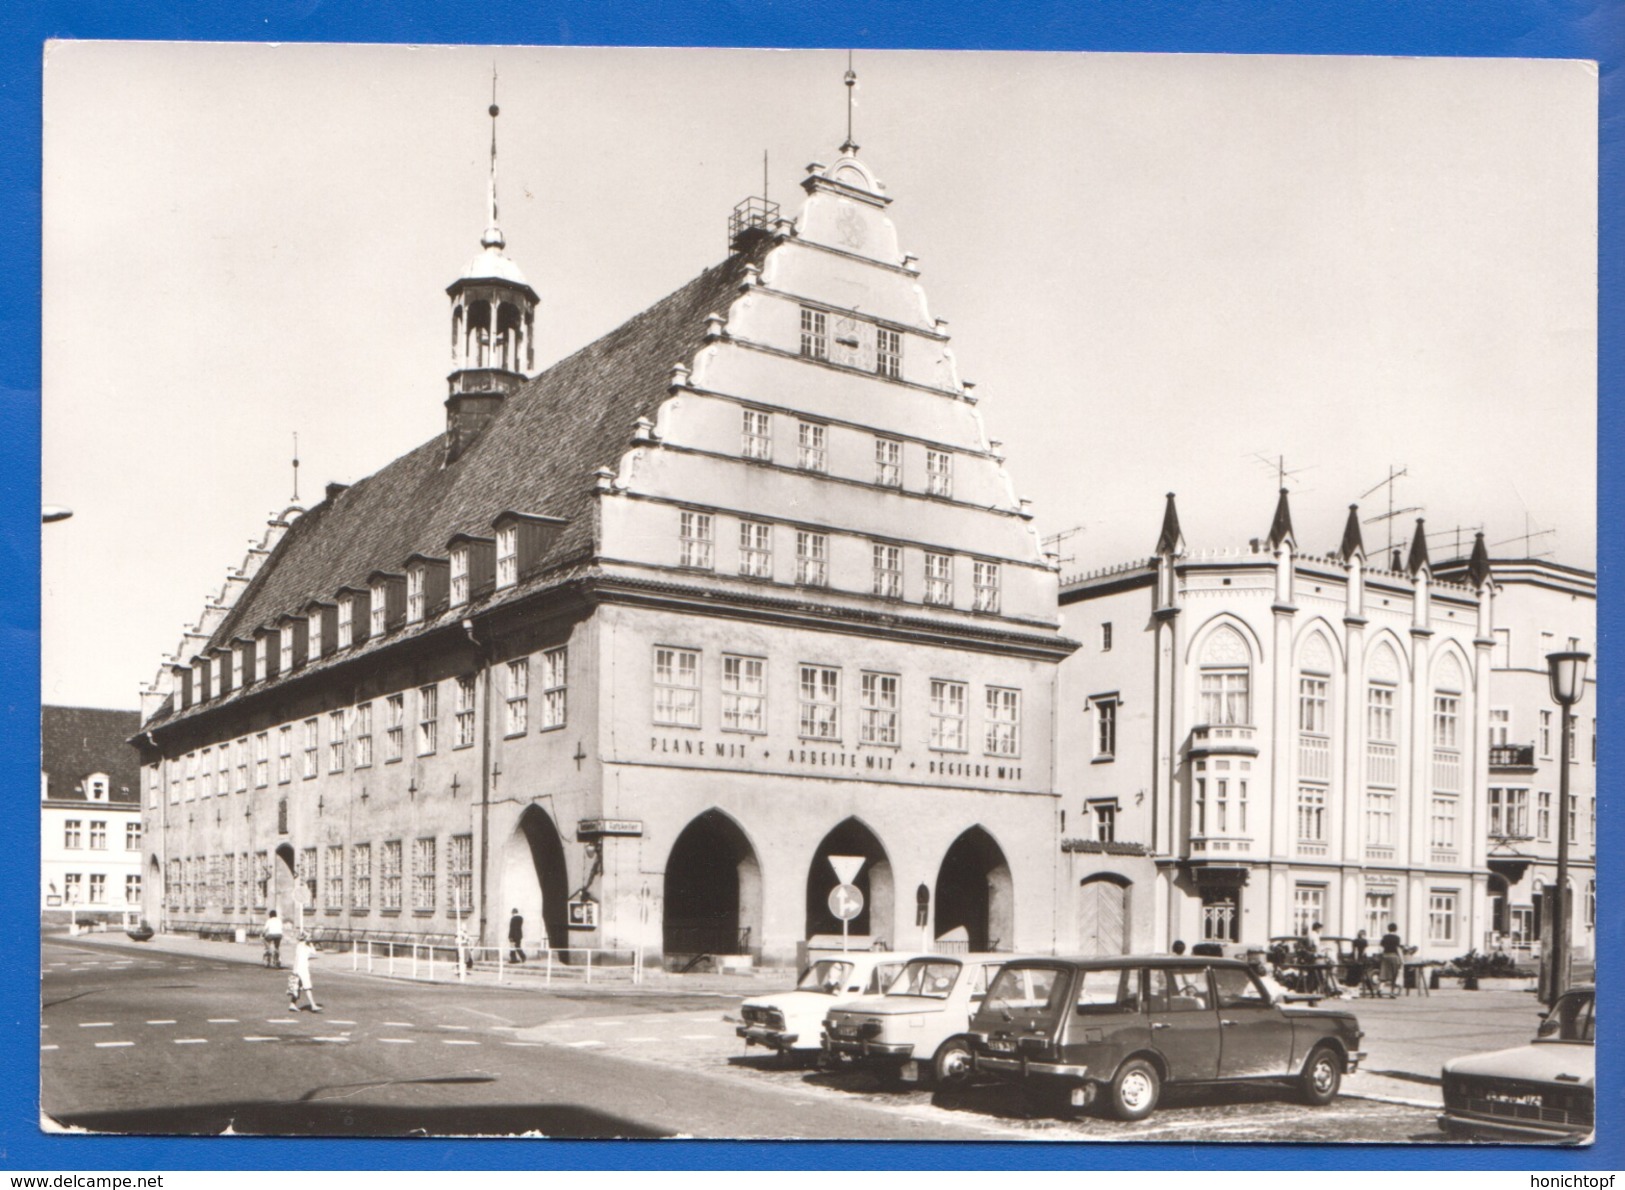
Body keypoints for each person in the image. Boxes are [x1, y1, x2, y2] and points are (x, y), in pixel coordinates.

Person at [288, 930, 321, 1012]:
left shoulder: (307, 946)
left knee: (297, 987)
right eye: (309, 937)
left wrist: (311, 944)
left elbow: (314, 953)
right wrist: (295, 970)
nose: (311, 938)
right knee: (307, 987)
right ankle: (313, 1005)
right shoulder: (300, 946)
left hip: (303, 968)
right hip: (301, 969)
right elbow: (297, 958)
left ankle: (292, 1004)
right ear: (304, 938)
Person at [1379, 922, 1404, 996]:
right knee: (1394, 975)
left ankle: (1380, 989)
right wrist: (1402, 960)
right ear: (1396, 929)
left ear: (1388, 929)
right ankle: (1392, 992)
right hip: (1394, 956)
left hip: (1385, 956)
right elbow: (1398, 949)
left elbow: (1381, 948)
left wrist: (1382, 955)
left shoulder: (1385, 937)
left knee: (1384, 974)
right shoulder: (1397, 938)